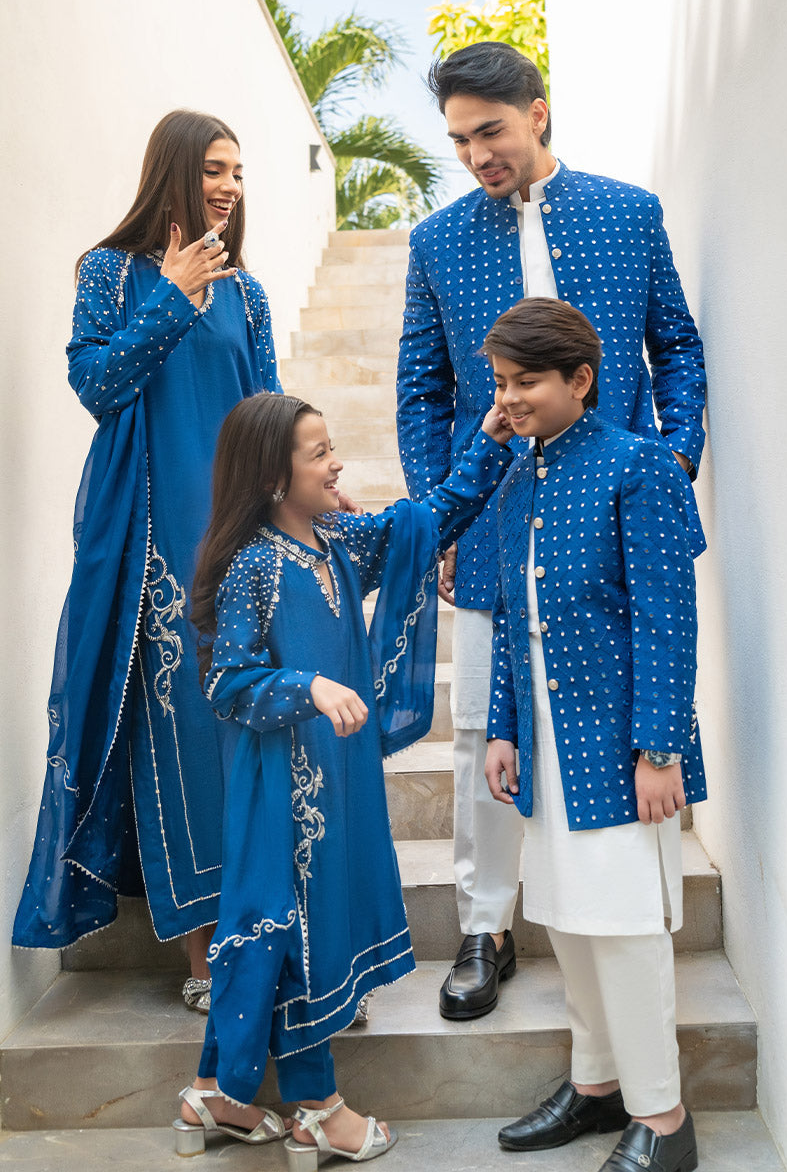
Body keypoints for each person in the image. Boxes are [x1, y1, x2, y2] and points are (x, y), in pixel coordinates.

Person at [396, 40, 706, 1020]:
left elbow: (676, 343)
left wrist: (676, 455)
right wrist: (443, 516)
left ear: (536, 111)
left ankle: (624, 916)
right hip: (493, 518)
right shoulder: (436, 242)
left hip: (619, 512)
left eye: (488, 131)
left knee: (618, 707)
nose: (475, 155)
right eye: (458, 140)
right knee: (482, 729)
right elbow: (421, 390)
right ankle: (484, 923)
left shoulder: (627, 212)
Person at [172, 391, 514, 1164]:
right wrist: (309, 687)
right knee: (289, 929)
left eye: (332, 448)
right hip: (283, 786)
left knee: (300, 924)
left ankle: (213, 1094)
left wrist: (489, 442)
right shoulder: (255, 565)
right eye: (319, 453)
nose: (337, 464)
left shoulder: (335, 544)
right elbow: (227, 683)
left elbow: (423, 525)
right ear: (273, 476)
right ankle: (318, 1107)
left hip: (336, 778)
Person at [12, 110, 280, 1013]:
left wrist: (305, 494)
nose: (229, 186)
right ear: (173, 171)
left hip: (240, 539)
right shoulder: (110, 273)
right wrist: (170, 296)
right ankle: (205, 956)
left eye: (237, 171)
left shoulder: (247, 294)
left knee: (253, 735)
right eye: (213, 169)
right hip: (153, 544)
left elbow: (267, 412)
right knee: (186, 736)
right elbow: (98, 386)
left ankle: (271, 936)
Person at [483, 297, 705, 1172]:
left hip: (620, 750)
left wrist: (660, 750)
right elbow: (511, 617)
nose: (510, 398)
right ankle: (598, 1084)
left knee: (624, 929)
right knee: (570, 925)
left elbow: (666, 619)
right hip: (545, 749)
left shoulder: (639, 466)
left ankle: (665, 1119)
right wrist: (502, 729)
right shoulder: (518, 476)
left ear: (581, 379)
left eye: (526, 381)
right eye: (501, 382)